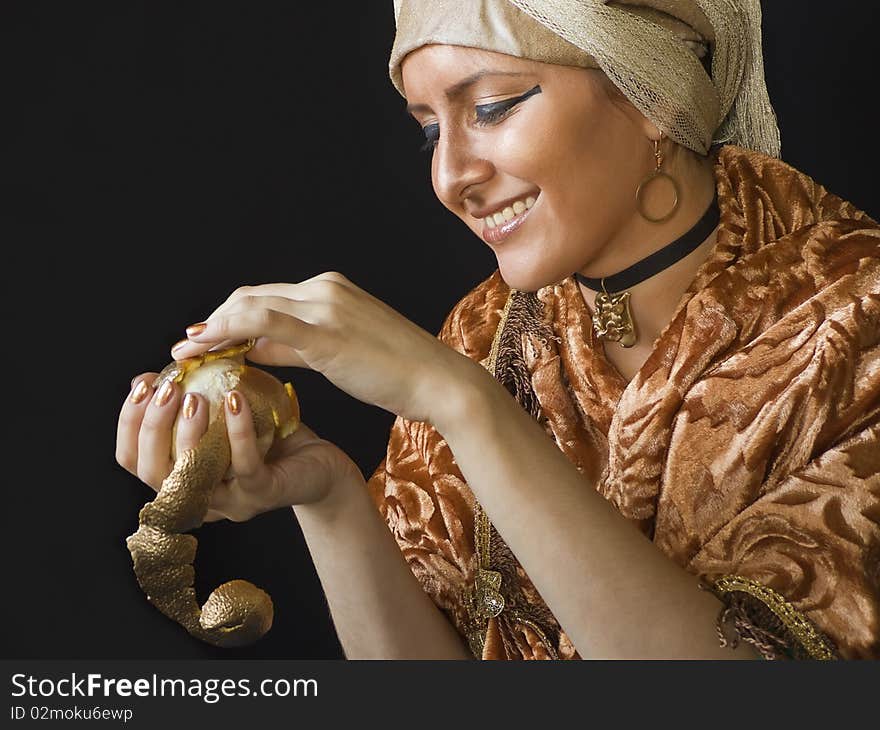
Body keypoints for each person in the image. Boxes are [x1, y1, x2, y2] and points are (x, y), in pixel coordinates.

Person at [115, 0, 879, 660]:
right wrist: (330, 494)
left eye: (491, 107)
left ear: (651, 89)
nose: (449, 177)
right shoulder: (486, 331)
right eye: (428, 132)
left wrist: (463, 402)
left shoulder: (856, 320)